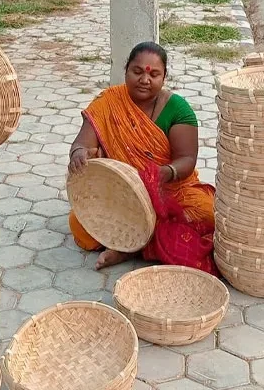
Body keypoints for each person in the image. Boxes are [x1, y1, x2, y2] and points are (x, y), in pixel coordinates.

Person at [67, 42, 216, 273]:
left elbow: (186, 159)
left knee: (207, 213)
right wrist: (79, 154)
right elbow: (82, 143)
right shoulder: (108, 103)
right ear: (125, 70)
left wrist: (161, 174)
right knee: (80, 225)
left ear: (164, 77)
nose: (144, 80)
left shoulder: (178, 109)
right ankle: (140, 242)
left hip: (170, 190)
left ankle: (131, 246)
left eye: (154, 74)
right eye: (137, 72)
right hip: (123, 192)